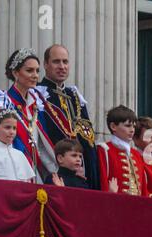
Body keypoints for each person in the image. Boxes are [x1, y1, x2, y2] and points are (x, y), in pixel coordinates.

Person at [0, 48, 56, 182]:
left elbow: (41, 143)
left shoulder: (35, 103)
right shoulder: (1, 101)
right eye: (29, 70)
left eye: (37, 70)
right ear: (16, 73)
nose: (35, 75)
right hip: (6, 172)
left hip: (33, 172)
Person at [36, 44, 100, 189]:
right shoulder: (39, 94)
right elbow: (40, 139)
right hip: (57, 171)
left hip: (84, 172)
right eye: (56, 61)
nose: (62, 66)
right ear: (46, 64)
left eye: (65, 62)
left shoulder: (74, 95)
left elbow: (87, 137)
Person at [97, 105, 145, 195]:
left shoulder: (136, 154)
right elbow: (102, 181)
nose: (132, 130)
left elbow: (143, 189)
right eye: (128, 126)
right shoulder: (104, 150)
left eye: (133, 127)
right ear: (113, 126)